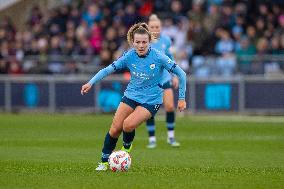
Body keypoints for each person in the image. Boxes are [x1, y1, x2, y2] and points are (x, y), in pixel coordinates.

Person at [81, 22, 187, 171]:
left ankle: (126, 148)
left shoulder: (159, 57)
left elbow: (181, 74)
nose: (141, 45)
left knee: (128, 125)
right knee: (115, 129)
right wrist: (90, 82)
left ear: (149, 41)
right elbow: (108, 69)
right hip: (131, 95)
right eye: (138, 42)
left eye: (144, 42)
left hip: (152, 100)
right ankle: (104, 162)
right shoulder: (129, 55)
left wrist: (181, 98)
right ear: (132, 42)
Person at [146, 14, 180, 148]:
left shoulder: (166, 40)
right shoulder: (144, 41)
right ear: (148, 28)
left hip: (165, 78)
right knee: (149, 110)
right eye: (152, 27)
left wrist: (175, 75)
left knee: (170, 106)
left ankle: (171, 137)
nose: (155, 29)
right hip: (150, 81)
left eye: (157, 27)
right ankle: (152, 139)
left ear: (161, 27)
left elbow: (170, 59)